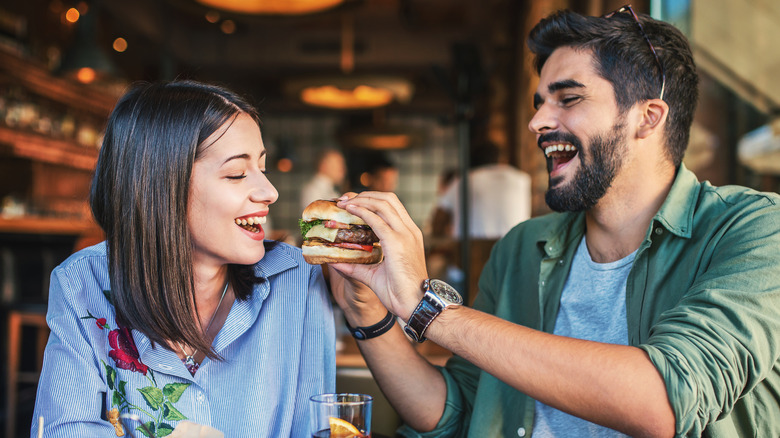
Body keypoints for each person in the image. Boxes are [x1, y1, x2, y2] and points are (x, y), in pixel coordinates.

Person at [327, 6, 780, 438]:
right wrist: (367, 313)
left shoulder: (755, 231)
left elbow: (663, 400)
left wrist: (429, 309)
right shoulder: (521, 247)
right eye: (540, 102)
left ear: (648, 118)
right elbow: (457, 411)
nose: (537, 121)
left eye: (569, 98)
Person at [31, 81, 336, 437]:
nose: (270, 192)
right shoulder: (83, 284)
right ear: (161, 184)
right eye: (237, 173)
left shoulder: (297, 277)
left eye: (262, 168)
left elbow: (317, 429)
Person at [432, 141, 531, 239]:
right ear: (502, 159)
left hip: (472, 249)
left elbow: (439, 219)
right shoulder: (522, 179)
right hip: (515, 245)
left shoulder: (464, 181)